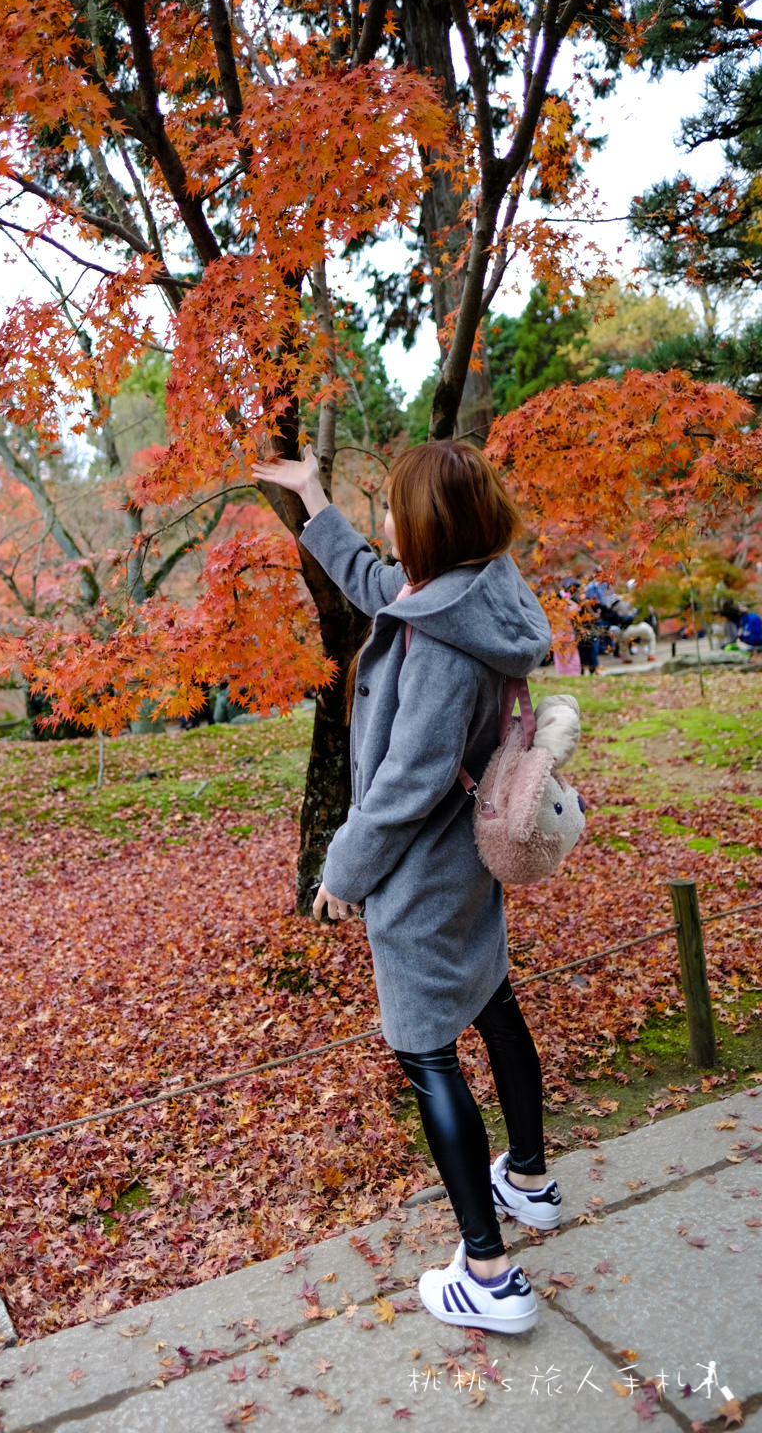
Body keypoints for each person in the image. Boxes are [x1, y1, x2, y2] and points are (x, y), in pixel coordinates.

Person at [254, 440, 559, 1337]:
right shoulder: (482, 586)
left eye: (392, 510)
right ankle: (531, 1181)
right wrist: (313, 500)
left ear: (427, 525)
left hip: (423, 872)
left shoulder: (438, 642)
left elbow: (405, 784)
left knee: (426, 1050)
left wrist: (341, 875)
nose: (384, 524)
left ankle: (488, 1272)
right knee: (493, 1000)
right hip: (472, 857)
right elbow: (375, 581)